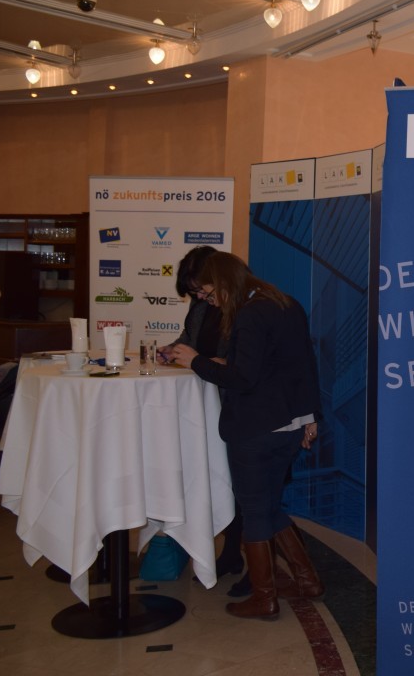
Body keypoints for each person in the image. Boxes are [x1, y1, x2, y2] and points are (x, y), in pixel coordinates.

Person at [167, 252, 322, 620]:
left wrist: (195, 362)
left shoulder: (249, 314)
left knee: (254, 510)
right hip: (289, 424)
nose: (208, 301)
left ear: (224, 282)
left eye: (208, 293)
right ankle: (307, 581)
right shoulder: (284, 302)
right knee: (268, 506)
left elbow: (242, 379)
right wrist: (311, 417)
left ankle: (263, 597)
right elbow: (301, 364)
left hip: (256, 428)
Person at [160, 246, 247, 587]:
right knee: (213, 476)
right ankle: (227, 552)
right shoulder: (200, 307)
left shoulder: (243, 307)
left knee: (237, 485)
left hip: (232, 403)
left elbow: (242, 363)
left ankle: (237, 555)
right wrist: (173, 350)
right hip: (202, 404)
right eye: (194, 291)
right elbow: (189, 340)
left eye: (200, 289)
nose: (198, 296)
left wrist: (204, 361)